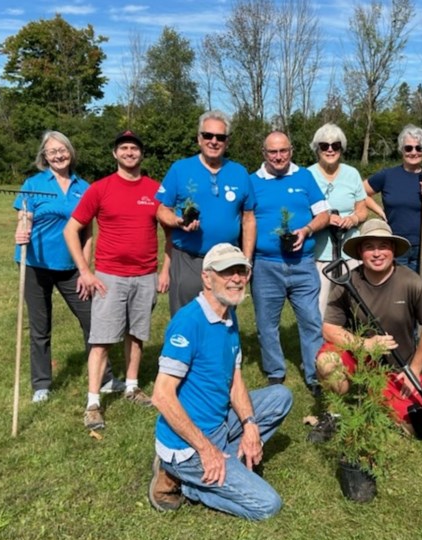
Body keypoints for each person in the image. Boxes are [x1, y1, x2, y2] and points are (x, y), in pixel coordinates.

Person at [149, 243, 293, 520]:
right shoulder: (188, 323)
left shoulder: (228, 314)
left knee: (281, 396)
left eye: (241, 271)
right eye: (227, 272)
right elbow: (161, 396)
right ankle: (185, 482)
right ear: (207, 277)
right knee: (267, 505)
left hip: (218, 423)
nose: (236, 279)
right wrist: (205, 450)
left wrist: (251, 426)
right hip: (189, 444)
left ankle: (229, 457)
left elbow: (235, 377)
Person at [63, 130, 167, 431]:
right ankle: (93, 403)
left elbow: (170, 232)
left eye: (134, 148)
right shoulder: (99, 189)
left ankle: (132, 386)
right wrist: (84, 270)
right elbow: (72, 230)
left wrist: (166, 270)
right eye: (124, 148)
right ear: (115, 154)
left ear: (141, 154)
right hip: (109, 277)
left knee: (136, 335)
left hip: (146, 275)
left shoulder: (154, 190)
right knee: (101, 339)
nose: (129, 153)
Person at [12, 131, 123, 403]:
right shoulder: (34, 184)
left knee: (93, 320)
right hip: (36, 264)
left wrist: (85, 269)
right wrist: (21, 231)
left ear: (70, 152)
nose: (58, 155)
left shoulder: (83, 187)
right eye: (52, 152)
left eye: (62, 150)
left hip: (72, 266)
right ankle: (41, 384)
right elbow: (24, 217)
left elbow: (87, 232)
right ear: (44, 157)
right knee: (41, 326)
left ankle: (105, 378)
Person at [314, 219, 422, 440]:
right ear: (360, 252)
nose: (377, 253)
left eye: (383, 246)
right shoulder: (347, 281)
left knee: (408, 428)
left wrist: (415, 370)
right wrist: (365, 344)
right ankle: (335, 412)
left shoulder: (411, 282)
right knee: (326, 363)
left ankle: (380, 399)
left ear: (393, 250)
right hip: (360, 358)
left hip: (398, 369)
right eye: (369, 247)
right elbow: (329, 328)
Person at [249, 131, 330, 393]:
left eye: (283, 150)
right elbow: (244, 220)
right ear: (264, 154)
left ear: (291, 151)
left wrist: (306, 230)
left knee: (310, 320)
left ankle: (314, 373)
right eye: (272, 152)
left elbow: (324, 214)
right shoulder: (253, 182)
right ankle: (275, 372)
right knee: (266, 323)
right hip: (265, 264)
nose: (278, 156)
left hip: (302, 263)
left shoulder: (305, 177)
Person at [156, 110, 255, 316]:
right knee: (186, 318)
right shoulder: (180, 169)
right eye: (208, 135)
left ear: (227, 142)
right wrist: (177, 221)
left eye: (220, 137)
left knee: (224, 318)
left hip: (227, 261)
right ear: (199, 139)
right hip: (189, 259)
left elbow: (248, 220)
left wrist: (246, 260)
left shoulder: (239, 172)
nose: (213, 141)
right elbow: (162, 210)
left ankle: (221, 350)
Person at [364, 124, 422, 284]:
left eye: (419, 148)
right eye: (408, 148)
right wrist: (379, 211)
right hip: (396, 245)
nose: (413, 152)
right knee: (396, 288)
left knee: (420, 290)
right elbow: (361, 192)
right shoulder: (388, 175)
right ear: (401, 150)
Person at [307, 123, 367, 319]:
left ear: (342, 148)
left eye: (336, 145)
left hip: (350, 250)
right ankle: (322, 345)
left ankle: (356, 344)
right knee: (321, 305)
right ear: (317, 148)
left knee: (356, 303)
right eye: (324, 145)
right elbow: (302, 213)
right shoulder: (307, 175)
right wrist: (324, 219)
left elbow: (362, 209)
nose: (330, 149)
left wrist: (353, 218)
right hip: (320, 253)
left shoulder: (352, 174)